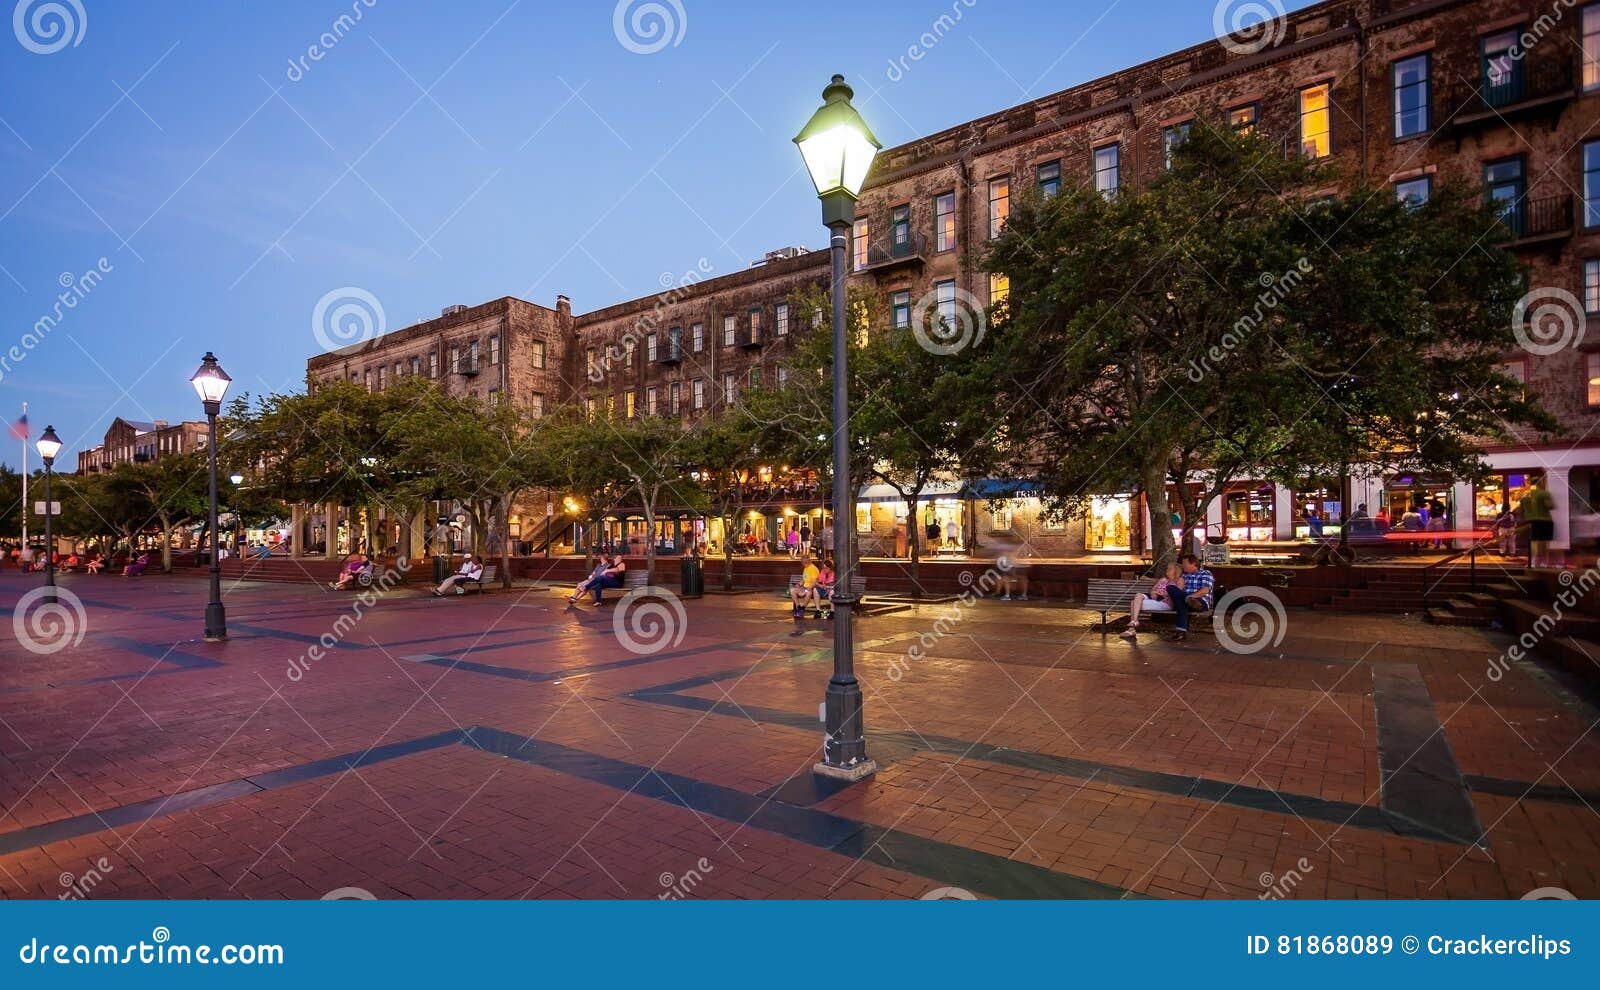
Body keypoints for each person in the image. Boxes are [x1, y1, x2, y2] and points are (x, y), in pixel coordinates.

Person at [1120, 562, 1183, 639]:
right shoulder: (1163, 579)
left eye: (1170, 569)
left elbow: (1178, 593)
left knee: (1133, 603)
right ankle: (1134, 622)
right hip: (1154, 598)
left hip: (1165, 602)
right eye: (1167, 568)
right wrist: (1153, 592)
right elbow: (1153, 589)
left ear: (1176, 571)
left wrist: (1162, 594)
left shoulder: (1179, 580)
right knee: (1138, 595)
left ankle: (1132, 629)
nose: (1167, 570)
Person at [1170, 554, 1215, 642]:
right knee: (1170, 588)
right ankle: (1187, 600)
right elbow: (1178, 590)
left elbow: (1205, 590)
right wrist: (1186, 597)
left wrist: (1191, 596)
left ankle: (1181, 633)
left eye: (1184, 563)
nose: (1183, 565)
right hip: (1186, 600)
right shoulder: (1183, 576)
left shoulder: (1205, 573)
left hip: (1200, 601)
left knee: (1181, 603)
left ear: (1193, 563)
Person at [1519, 478, 1557, 568]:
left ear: (1529, 483)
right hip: (1545, 520)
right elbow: (1550, 506)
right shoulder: (1543, 493)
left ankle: (1533, 562)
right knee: (1544, 543)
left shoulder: (1525, 495)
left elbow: (1521, 511)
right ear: (1541, 483)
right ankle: (1544, 563)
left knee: (1533, 542)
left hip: (1530, 520)